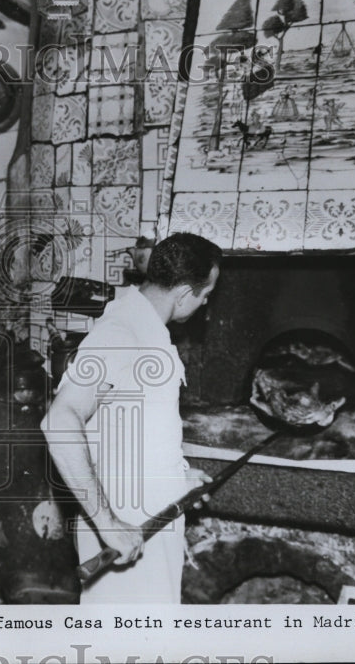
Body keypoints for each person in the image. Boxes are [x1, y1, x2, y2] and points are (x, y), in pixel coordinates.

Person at [41, 232, 222, 603]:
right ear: (186, 292)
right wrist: (108, 525)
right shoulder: (121, 333)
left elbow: (124, 432)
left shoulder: (146, 331)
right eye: (205, 295)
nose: (205, 305)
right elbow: (59, 421)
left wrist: (174, 478)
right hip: (125, 534)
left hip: (147, 525)